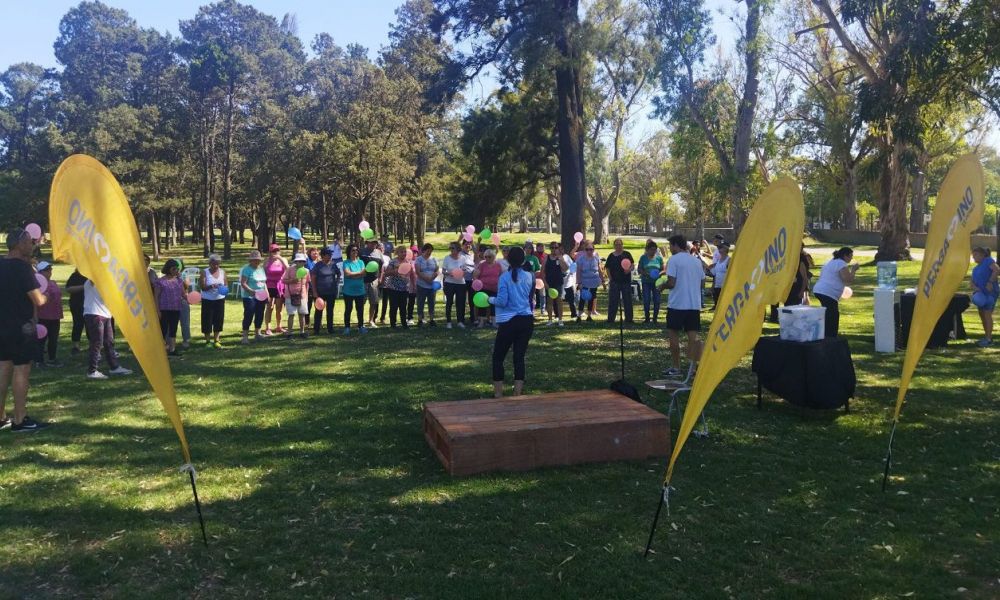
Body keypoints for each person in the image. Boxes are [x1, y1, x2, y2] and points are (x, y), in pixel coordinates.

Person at [0, 228, 49, 431]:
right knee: (21, 370)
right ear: (20, 245)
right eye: (30, 242)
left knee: (3, 369)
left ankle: (1, 417)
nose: (33, 245)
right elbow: (38, 299)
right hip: (21, 328)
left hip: (2, 326)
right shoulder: (23, 268)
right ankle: (20, 419)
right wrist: (47, 296)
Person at [489, 246, 535, 397]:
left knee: (498, 358)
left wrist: (489, 299)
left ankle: (498, 394)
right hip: (526, 320)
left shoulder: (504, 277)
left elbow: (502, 301)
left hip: (509, 321)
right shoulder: (529, 276)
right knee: (519, 357)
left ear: (508, 259)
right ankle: (517, 393)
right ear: (523, 260)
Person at [659, 235, 705, 377]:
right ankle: (694, 369)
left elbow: (671, 282)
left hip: (678, 304)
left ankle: (676, 367)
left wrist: (662, 286)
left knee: (673, 335)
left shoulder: (674, 260)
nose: (670, 249)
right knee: (693, 337)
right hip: (693, 305)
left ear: (676, 245)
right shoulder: (696, 261)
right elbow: (702, 283)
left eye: (671, 246)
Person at [83, 280, 132, 379]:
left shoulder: (107, 281)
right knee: (97, 343)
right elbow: (93, 277)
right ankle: (92, 371)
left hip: (106, 314)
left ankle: (114, 367)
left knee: (109, 342)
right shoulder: (92, 280)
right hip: (95, 314)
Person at [811, 246, 858, 338]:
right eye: (850, 256)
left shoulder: (831, 262)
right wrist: (853, 270)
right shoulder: (841, 263)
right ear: (845, 255)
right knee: (833, 315)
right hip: (827, 292)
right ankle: (830, 337)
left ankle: (825, 334)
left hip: (819, 290)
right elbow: (848, 279)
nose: (851, 258)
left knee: (829, 313)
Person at [155, 259, 187, 356]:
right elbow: (156, 297)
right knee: (163, 330)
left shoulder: (179, 281)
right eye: (174, 269)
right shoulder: (160, 281)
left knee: (173, 329)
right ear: (168, 269)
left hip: (176, 308)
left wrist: (192, 298)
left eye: (177, 269)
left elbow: (183, 294)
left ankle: (172, 349)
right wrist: (158, 311)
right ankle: (162, 349)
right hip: (164, 309)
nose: (176, 271)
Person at [35, 262, 63, 366]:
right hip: (43, 316)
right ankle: (39, 360)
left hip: (55, 315)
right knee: (41, 339)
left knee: (53, 339)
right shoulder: (36, 285)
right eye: (47, 270)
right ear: (40, 272)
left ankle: (52, 359)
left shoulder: (53, 283)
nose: (49, 271)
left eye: (50, 269)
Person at [970, 247, 999, 347]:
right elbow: (971, 283)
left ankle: (989, 339)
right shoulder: (975, 269)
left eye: (976, 255)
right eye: (973, 256)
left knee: (987, 314)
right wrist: (975, 289)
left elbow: (996, 270)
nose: (974, 257)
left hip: (990, 294)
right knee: (982, 314)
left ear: (982, 255)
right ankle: (986, 336)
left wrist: (990, 282)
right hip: (981, 295)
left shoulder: (988, 261)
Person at [239, 250, 268, 344]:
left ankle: (257, 334)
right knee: (249, 315)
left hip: (261, 296)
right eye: (254, 260)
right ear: (250, 261)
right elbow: (243, 283)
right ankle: (245, 337)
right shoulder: (246, 269)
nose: (257, 261)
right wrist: (251, 292)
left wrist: (267, 294)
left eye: (258, 260)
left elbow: (264, 283)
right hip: (249, 297)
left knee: (260, 314)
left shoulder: (261, 269)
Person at [198, 254, 227, 348]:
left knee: (218, 319)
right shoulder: (204, 272)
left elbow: (226, 286)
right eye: (214, 264)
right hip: (207, 300)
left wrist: (222, 288)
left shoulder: (222, 272)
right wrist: (211, 286)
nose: (216, 266)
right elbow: (202, 287)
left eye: (218, 264)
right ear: (210, 263)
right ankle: (207, 341)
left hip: (219, 299)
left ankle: (217, 340)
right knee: (207, 320)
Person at [604, 238, 634, 324]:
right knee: (613, 301)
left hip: (625, 281)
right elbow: (608, 268)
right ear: (614, 246)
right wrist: (610, 278)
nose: (618, 246)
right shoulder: (611, 256)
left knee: (627, 300)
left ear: (622, 245)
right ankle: (611, 319)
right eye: (616, 244)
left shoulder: (627, 254)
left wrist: (629, 270)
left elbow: (632, 265)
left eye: (620, 244)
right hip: (615, 281)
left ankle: (629, 319)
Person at [311, 247, 340, 335]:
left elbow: (338, 274)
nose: (330, 256)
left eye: (331, 254)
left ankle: (330, 329)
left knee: (330, 311)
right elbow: (313, 279)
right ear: (323, 256)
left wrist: (336, 283)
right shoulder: (318, 265)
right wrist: (315, 292)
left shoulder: (333, 264)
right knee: (318, 311)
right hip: (320, 293)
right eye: (328, 254)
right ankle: (316, 330)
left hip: (331, 292)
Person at [282, 253, 312, 339]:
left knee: (302, 314)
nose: (301, 263)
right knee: (291, 314)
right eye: (299, 261)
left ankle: (302, 332)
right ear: (296, 261)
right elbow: (283, 280)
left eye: (302, 261)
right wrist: (292, 280)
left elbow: (307, 283)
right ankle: (289, 332)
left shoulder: (306, 271)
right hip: (290, 295)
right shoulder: (289, 269)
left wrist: (306, 295)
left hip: (302, 295)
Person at [383, 246, 413, 328]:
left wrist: (412, 284)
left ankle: (404, 323)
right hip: (393, 288)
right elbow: (386, 273)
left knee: (403, 306)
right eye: (401, 252)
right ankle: (393, 324)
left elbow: (411, 274)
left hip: (404, 288)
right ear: (397, 253)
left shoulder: (408, 262)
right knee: (394, 306)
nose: (404, 253)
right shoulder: (393, 261)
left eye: (405, 252)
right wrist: (396, 271)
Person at [342, 244, 368, 334]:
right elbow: (347, 274)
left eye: (356, 250)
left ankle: (361, 326)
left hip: (360, 290)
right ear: (349, 251)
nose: (355, 252)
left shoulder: (361, 262)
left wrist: (354, 274)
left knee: (360, 309)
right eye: (353, 250)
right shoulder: (346, 262)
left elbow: (364, 274)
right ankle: (347, 327)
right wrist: (359, 274)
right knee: (348, 309)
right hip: (348, 291)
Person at [575, 241, 605, 321]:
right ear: (585, 250)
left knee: (592, 298)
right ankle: (579, 316)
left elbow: (599, 269)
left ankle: (589, 315)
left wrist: (602, 280)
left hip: (594, 281)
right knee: (583, 298)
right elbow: (578, 272)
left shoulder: (596, 257)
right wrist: (579, 283)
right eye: (587, 249)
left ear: (593, 249)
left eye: (591, 249)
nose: (589, 251)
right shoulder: (581, 259)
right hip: (584, 281)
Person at [474, 248, 503, 328]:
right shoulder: (482, 265)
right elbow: (476, 276)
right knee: (482, 305)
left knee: (493, 305)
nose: (487, 258)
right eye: (485, 257)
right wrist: (477, 284)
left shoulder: (498, 265)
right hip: (483, 288)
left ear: (493, 257)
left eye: (489, 257)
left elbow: (501, 276)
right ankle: (482, 322)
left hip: (494, 288)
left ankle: (494, 322)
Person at [263, 243, 288, 335]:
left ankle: (279, 326)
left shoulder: (283, 260)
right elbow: (263, 272)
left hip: (280, 286)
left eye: (277, 250)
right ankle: (267, 327)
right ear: (270, 252)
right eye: (273, 251)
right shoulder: (267, 261)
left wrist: (280, 259)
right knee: (269, 307)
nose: (275, 252)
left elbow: (288, 269)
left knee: (279, 307)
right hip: (269, 286)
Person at [442, 242, 467, 329]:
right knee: (449, 302)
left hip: (461, 283)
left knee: (460, 303)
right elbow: (443, 271)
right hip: (449, 283)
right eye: (450, 248)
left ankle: (460, 321)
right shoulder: (447, 258)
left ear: (458, 249)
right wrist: (449, 273)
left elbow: (464, 270)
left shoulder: (463, 258)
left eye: (453, 248)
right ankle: (449, 322)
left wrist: (462, 273)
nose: (451, 250)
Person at [638, 240, 664, 323]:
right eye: (651, 249)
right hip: (646, 282)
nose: (653, 251)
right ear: (647, 249)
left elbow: (663, 269)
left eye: (654, 249)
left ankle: (655, 318)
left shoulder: (659, 258)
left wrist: (658, 274)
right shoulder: (643, 258)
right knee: (646, 299)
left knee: (657, 300)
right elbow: (639, 269)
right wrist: (645, 273)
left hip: (657, 283)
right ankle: (647, 318)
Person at [414, 243, 440, 327]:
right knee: (420, 302)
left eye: (431, 251)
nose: (429, 252)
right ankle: (420, 319)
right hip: (421, 285)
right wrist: (426, 279)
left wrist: (432, 278)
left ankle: (431, 319)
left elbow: (437, 270)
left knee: (431, 302)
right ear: (423, 251)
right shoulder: (419, 259)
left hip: (432, 285)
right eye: (428, 251)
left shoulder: (434, 259)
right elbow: (418, 272)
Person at [543, 242, 568, 326]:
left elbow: (565, 269)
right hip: (549, 283)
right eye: (552, 248)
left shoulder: (560, 258)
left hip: (558, 282)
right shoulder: (546, 258)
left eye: (556, 247)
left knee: (559, 301)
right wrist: (545, 283)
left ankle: (560, 320)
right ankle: (550, 320)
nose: (554, 249)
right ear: (550, 248)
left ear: (558, 248)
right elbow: (543, 272)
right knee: (549, 301)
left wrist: (560, 259)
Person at [360, 238, 382, 328]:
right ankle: (360, 321)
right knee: (361, 302)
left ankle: (371, 320)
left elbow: (381, 266)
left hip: (374, 281)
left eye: (375, 243)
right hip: (363, 280)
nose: (373, 244)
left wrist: (380, 277)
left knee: (373, 302)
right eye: (371, 242)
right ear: (367, 243)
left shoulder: (378, 253)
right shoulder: (361, 252)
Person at [66, 268, 88, 354]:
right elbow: (68, 289)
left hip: (90, 305)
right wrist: (84, 286)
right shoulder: (75, 276)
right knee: (77, 324)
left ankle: (92, 345)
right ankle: (76, 346)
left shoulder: (92, 276)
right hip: (76, 305)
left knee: (90, 326)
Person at [706, 243, 730, 309]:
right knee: (716, 298)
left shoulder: (729, 260)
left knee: (723, 301)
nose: (719, 250)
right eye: (719, 249)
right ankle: (715, 307)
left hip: (724, 284)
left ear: (725, 250)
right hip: (717, 284)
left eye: (721, 248)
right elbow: (715, 273)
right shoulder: (719, 260)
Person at [460, 238, 477, 321]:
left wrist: (473, 242)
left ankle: (472, 317)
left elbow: (476, 252)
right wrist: (460, 238)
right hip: (463, 280)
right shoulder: (460, 254)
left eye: (469, 244)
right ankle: (461, 318)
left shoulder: (472, 255)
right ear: (462, 245)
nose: (468, 245)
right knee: (462, 300)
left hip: (472, 281)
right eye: (466, 244)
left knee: (472, 300)